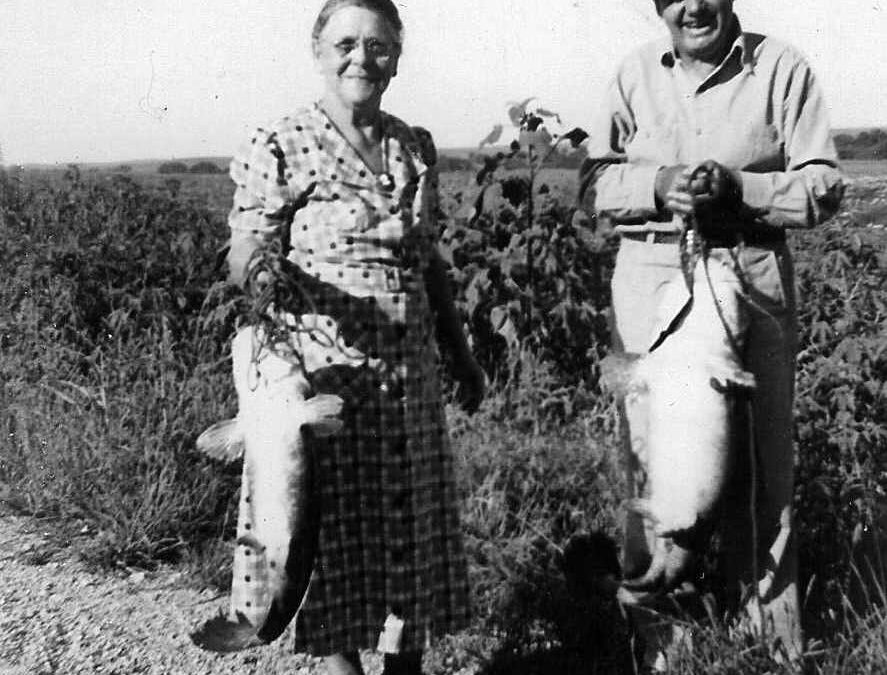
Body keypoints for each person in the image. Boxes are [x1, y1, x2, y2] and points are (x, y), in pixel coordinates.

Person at [578, 0, 844, 666]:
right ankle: (658, 638)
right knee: (659, 467)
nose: (692, 4)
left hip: (748, 275)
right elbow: (593, 185)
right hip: (650, 278)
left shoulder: (782, 68)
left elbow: (824, 184)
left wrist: (740, 191)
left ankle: (771, 645)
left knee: (763, 473)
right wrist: (659, 183)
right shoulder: (632, 74)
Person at [224, 1, 485, 673]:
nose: (360, 59)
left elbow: (427, 262)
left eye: (377, 46)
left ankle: (403, 668)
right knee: (325, 532)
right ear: (317, 50)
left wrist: (459, 355)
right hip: (323, 379)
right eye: (345, 43)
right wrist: (259, 274)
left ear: (396, 57)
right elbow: (249, 238)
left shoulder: (414, 146)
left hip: (408, 380)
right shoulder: (280, 142)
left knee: (410, 533)